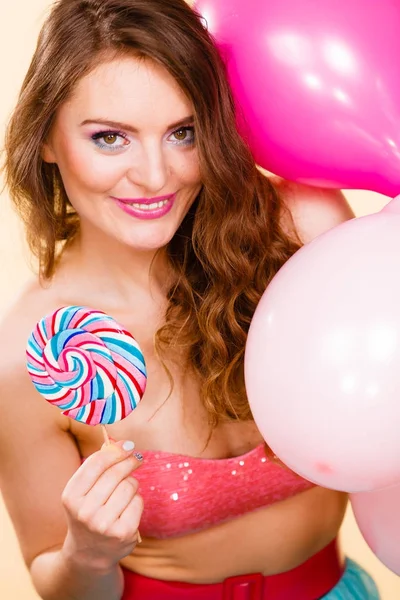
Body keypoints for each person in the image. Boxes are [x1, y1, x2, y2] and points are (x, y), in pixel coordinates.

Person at [0, 0, 380, 598]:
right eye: (109, 138)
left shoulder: (298, 236)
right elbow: (57, 580)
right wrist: (87, 553)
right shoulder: (26, 359)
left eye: (184, 132)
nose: (155, 176)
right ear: (47, 139)